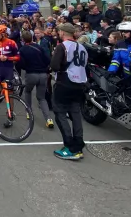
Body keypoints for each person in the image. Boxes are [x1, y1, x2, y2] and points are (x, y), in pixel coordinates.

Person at [50, 23, 88, 160]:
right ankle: (78, 145)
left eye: (59, 31)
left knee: (59, 112)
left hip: (65, 82)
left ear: (63, 32)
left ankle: (70, 147)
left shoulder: (62, 46)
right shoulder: (83, 47)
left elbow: (54, 66)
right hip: (80, 83)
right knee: (75, 113)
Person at [18, 31, 54, 129]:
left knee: (28, 92)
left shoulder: (22, 50)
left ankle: (29, 112)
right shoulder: (39, 47)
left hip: (31, 74)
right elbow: (48, 60)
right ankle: (48, 119)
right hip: (43, 74)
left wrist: (28, 67)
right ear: (32, 37)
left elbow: (21, 64)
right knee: (41, 98)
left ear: (22, 40)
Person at [0, 25, 20, 123]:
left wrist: (8, 58)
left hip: (8, 69)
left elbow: (18, 57)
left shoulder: (11, 43)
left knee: (9, 93)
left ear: (3, 34)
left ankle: (10, 114)